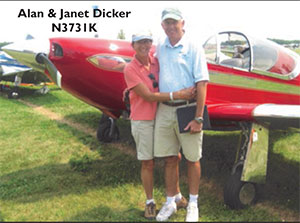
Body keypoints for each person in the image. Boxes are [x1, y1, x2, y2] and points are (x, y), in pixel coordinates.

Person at [123, 30, 195, 220]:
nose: (144, 46)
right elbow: (147, 95)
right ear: (133, 45)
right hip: (143, 119)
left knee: (174, 156)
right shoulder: (130, 69)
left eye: (147, 41)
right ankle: (150, 202)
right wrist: (177, 95)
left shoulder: (156, 61)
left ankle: (177, 196)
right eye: (139, 42)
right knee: (148, 162)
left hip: (162, 114)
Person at [154, 8, 209, 222]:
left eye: (174, 22)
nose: (170, 26)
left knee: (192, 159)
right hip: (165, 108)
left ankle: (193, 203)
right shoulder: (160, 47)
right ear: (162, 26)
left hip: (188, 109)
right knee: (169, 158)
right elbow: (145, 66)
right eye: (166, 23)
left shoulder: (194, 47)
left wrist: (198, 118)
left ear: (182, 23)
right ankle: (171, 201)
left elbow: (202, 83)